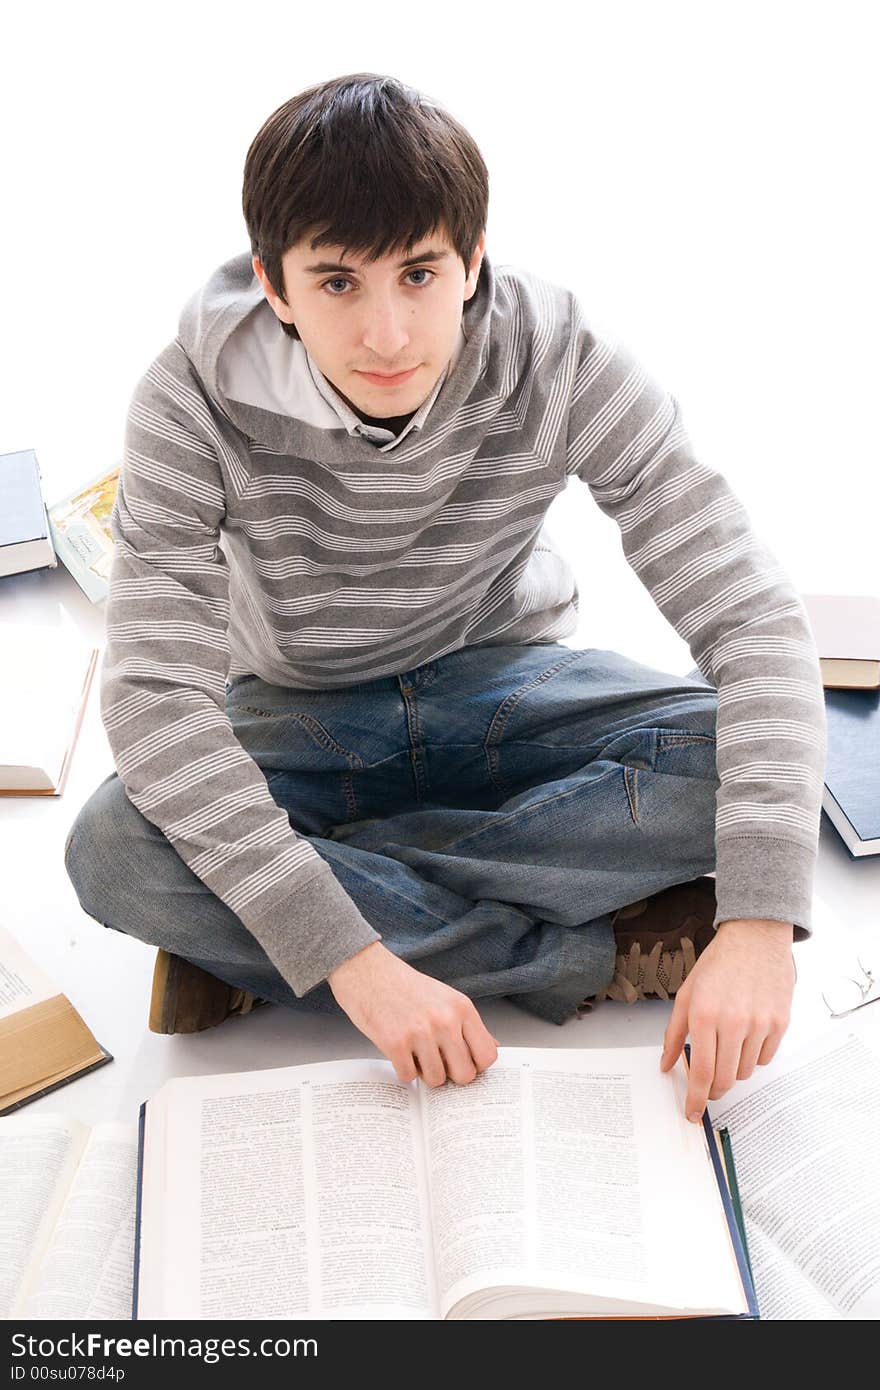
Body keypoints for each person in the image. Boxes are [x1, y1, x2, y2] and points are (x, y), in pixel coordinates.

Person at [64, 72, 826, 1123]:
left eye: (419, 274)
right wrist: (354, 961)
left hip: (499, 679)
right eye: (337, 283)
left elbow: (751, 619)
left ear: (471, 262)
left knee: (744, 759)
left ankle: (277, 916)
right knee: (115, 845)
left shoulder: (562, 358)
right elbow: (157, 701)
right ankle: (567, 949)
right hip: (301, 710)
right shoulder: (185, 400)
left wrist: (757, 923)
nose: (386, 335)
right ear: (273, 285)